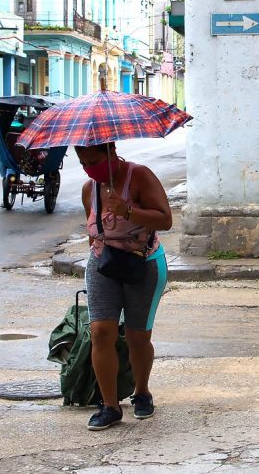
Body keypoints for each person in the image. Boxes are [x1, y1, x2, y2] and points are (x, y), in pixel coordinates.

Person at [75, 143, 172, 431]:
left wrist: (128, 211)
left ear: (111, 151)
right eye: (83, 162)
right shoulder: (88, 189)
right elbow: (92, 230)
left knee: (136, 335)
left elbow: (165, 219)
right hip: (103, 264)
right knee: (101, 332)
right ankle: (110, 406)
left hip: (142, 263)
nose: (89, 167)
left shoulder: (139, 176)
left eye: (94, 160)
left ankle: (142, 392)